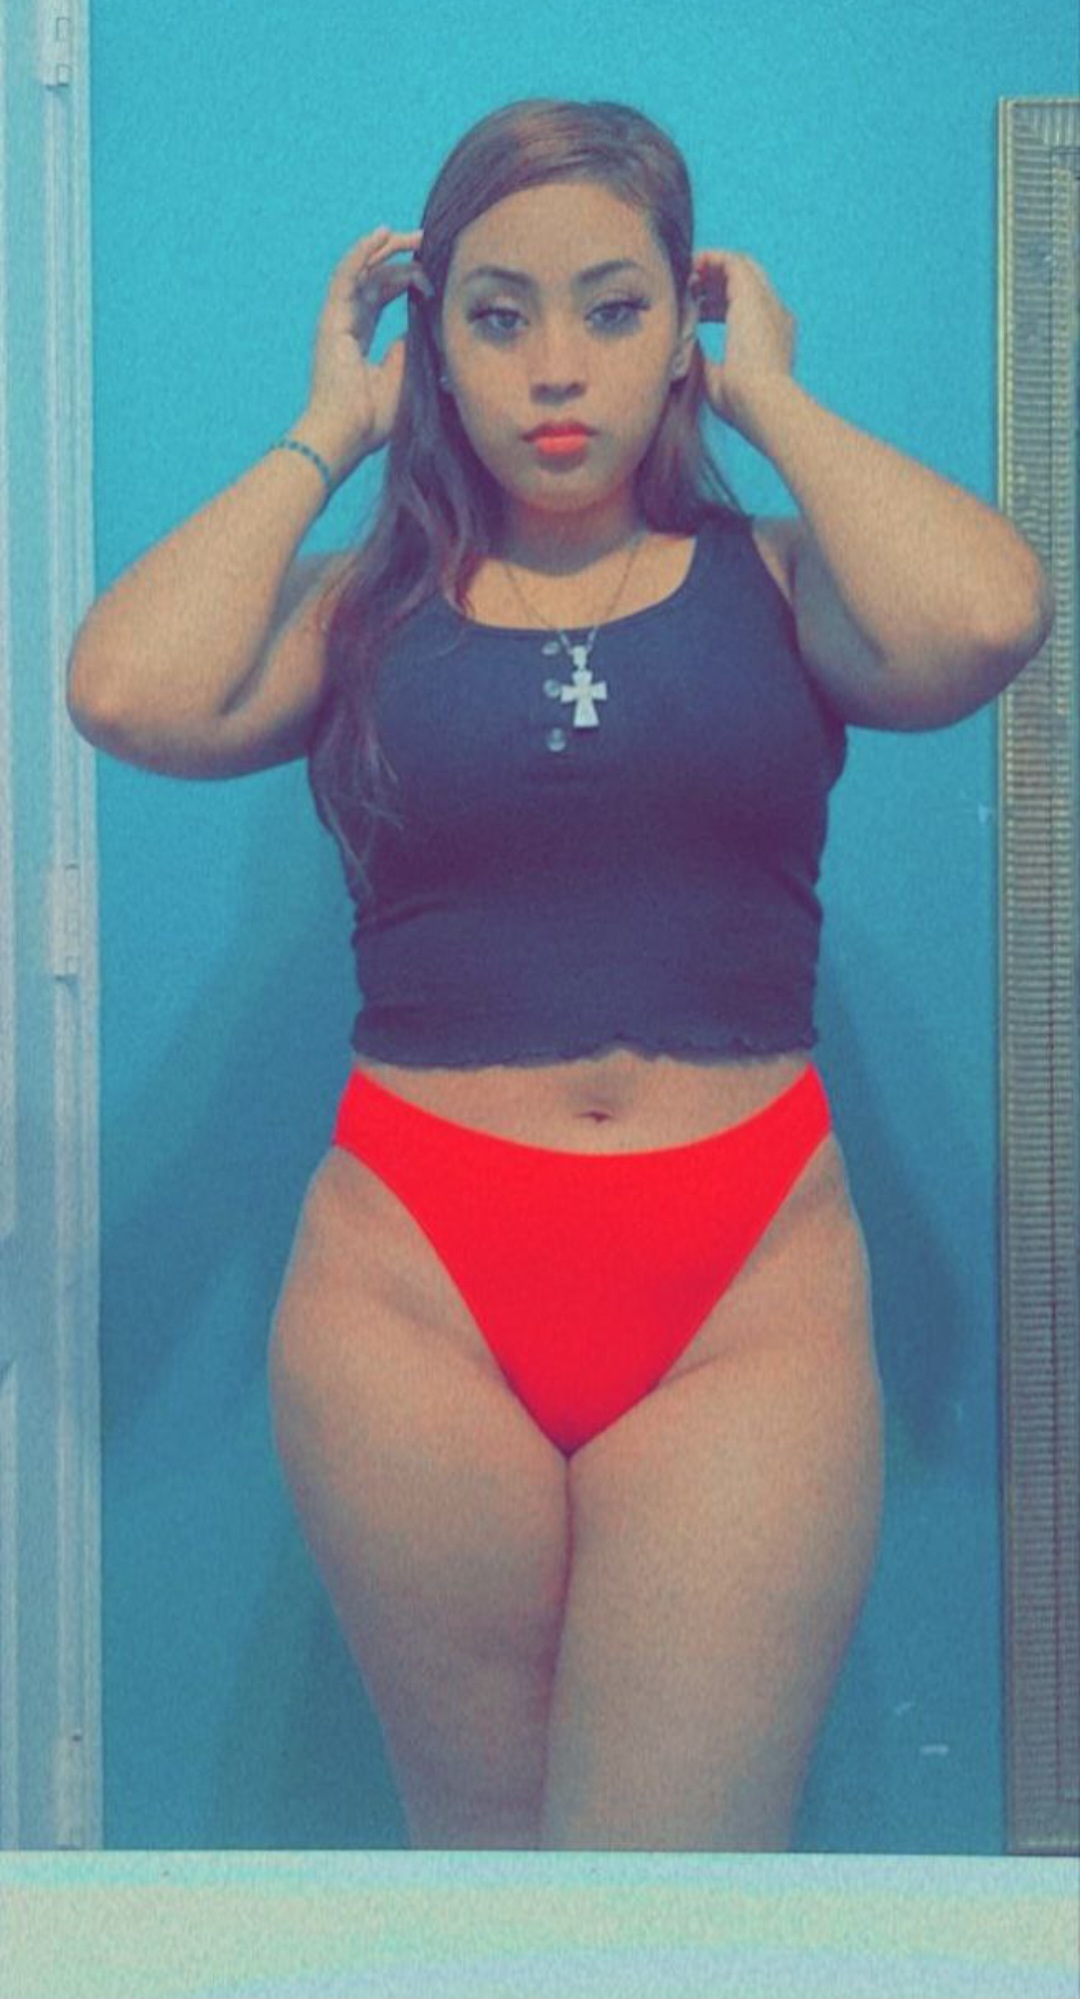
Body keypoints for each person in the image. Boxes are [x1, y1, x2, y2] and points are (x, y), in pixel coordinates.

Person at [66, 99, 1053, 1853]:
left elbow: (985, 616)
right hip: (411, 1288)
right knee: (486, 1890)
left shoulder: (786, 583)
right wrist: (328, 429)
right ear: (431, 344)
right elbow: (127, 690)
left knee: (669, 1901)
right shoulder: (361, 609)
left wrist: (771, 399)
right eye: (498, 315)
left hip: (746, 1289)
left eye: (613, 308)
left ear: (685, 326)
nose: (554, 369)